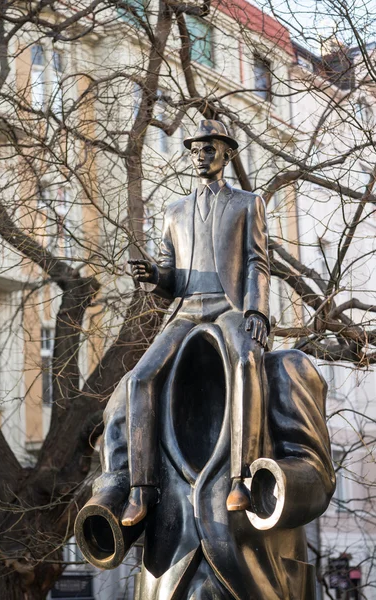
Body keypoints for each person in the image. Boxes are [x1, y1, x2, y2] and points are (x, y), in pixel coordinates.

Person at [122, 119, 270, 527]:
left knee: (245, 363)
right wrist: (153, 276)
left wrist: (256, 311)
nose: (200, 156)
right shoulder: (174, 211)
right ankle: (141, 489)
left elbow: (258, 261)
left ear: (226, 154)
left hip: (229, 307)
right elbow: (170, 278)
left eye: (208, 150)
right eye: (194, 150)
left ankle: (242, 478)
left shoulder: (247, 202)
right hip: (186, 309)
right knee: (140, 378)